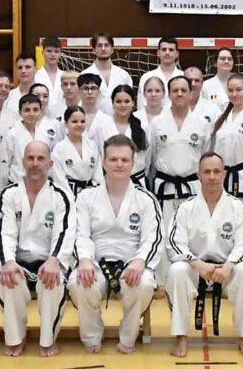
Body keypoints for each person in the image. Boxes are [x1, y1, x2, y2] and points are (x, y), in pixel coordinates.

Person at [69, 135, 163, 354]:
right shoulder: (85, 197)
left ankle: (128, 335)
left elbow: (154, 237)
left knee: (143, 284)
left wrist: (140, 262)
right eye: (113, 159)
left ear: (133, 163)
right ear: (103, 162)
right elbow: (78, 233)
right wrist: (83, 260)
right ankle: (92, 335)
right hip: (95, 263)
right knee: (78, 283)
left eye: (124, 160)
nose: (119, 164)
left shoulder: (146, 199)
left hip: (132, 264)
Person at [166, 153, 243, 357]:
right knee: (176, 270)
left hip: (225, 270)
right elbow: (174, 242)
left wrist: (229, 264)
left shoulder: (236, 207)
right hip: (196, 268)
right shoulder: (186, 207)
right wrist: (198, 264)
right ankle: (181, 335)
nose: (212, 176)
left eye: (217, 171)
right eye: (207, 172)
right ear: (198, 175)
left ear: (224, 174)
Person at [0, 141, 75, 358]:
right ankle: (15, 338)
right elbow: (4, 232)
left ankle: (48, 339)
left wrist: (55, 261)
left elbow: (65, 232)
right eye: (30, 158)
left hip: (48, 260)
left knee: (53, 280)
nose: (35, 164)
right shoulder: (9, 194)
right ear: (23, 162)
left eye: (40, 159)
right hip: (18, 261)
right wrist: (8, 262)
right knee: (8, 279)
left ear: (50, 164)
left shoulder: (61, 196)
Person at [148, 76, 211, 278]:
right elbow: (152, 157)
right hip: (165, 185)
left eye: (184, 90)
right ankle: (164, 279)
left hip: (192, 185)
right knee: (164, 231)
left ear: (191, 93)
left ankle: (195, 278)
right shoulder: (157, 123)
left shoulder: (201, 123)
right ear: (169, 94)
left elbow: (206, 156)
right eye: (175, 90)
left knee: (192, 232)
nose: (180, 94)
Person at [0, 94, 63, 189]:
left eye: (35, 110)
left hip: (41, 184)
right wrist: (3, 188)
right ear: (20, 112)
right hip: (17, 184)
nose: (31, 114)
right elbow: (2, 164)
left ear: (41, 112)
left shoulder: (45, 134)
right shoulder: (12, 134)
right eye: (27, 110)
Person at [90, 85, 153, 188]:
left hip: (137, 182)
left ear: (133, 103)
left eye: (127, 101)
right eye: (118, 101)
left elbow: (148, 157)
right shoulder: (103, 126)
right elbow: (98, 155)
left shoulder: (142, 126)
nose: (123, 105)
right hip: (110, 182)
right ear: (112, 103)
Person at [81, 32, 133, 114]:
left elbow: (129, 102)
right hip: (94, 123)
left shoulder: (124, 75)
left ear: (112, 50)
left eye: (106, 45)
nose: (103, 48)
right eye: (99, 45)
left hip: (119, 122)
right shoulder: (84, 75)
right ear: (93, 50)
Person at [54, 106, 102, 193]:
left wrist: (94, 193)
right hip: (69, 193)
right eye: (74, 121)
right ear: (66, 123)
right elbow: (59, 179)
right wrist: (70, 198)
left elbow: (98, 175)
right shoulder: (59, 149)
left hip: (91, 194)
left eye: (82, 121)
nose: (79, 124)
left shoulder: (92, 145)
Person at [138, 37, 184, 108]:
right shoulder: (147, 77)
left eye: (171, 50)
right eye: (164, 49)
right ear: (158, 53)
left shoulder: (184, 76)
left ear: (177, 54)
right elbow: (141, 106)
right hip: (152, 118)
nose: (167, 53)